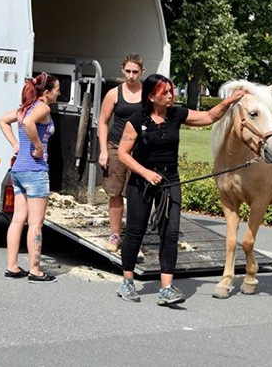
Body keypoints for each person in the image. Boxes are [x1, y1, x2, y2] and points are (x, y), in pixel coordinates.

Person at [116, 74, 245, 305]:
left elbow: (208, 117)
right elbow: (123, 153)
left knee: (170, 233)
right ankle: (127, 281)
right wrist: (145, 173)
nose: (170, 95)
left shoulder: (177, 114)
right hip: (141, 182)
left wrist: (229, 102)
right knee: (136, 231)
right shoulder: (137, 119)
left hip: (170, 181)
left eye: (171, 91)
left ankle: (166, 288)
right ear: (152, 96)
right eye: (165, 92)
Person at [0, 72, 61, 283]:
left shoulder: (25, 107)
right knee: (36, 223)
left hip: (18, 170)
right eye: (57, 90)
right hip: (35, 170)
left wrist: (16, 144)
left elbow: (3, 120)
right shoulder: (42, 107)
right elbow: (28, 124)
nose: (59, 93)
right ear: (46, 92)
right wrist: (38, 146)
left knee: (17, 220)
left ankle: (12, 267)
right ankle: (35, 270)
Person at [97, 54, 144, 252]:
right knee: (115, 192)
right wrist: (103, 151)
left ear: (142, 71)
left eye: (135, 72)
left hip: (139, 149)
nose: (131, 76)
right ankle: (115, 234)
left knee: (136, 194)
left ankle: (133, 236)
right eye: (128, 71)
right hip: (116, 146)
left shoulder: (148, 93)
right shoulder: (114, 93)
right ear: (122, 70)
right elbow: (103, 121)